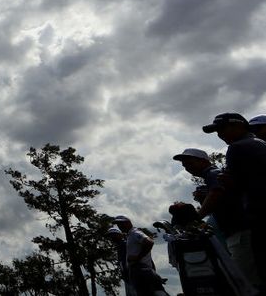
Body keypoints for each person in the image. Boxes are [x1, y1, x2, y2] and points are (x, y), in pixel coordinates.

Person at [171, 147, 258, 285]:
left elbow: (216, 193)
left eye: (190, 163)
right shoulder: (211, 176)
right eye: (185, 166)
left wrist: (197, 217)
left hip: (239, 230)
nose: (188, 168)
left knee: (244, 279)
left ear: (203, 161)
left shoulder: (212, 173)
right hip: (234, 231)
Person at [202, 112, 266, 288]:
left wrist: (230, 182)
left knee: (251, 280)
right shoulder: (260, 143)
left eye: (223, 129)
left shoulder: (238, 147)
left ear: (239, 126)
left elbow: (237, 187)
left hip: (257, 218)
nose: (220, 134)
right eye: (217, 131)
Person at [113, 216, 168, 296]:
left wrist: (138, 257)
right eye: (118, 225)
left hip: (141, 269)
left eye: (122, 224)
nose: (120, 227)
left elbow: (149, 242)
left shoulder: (135, 233)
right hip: (138, 270)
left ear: (128, 223)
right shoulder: (130, 235)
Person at [106, 227, 135, 295]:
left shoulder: (124, 244)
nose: (112, 238)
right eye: (110, 236)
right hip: (127, 276)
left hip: (132, 275)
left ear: (119, 235)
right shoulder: (120, 245)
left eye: (113, 235)